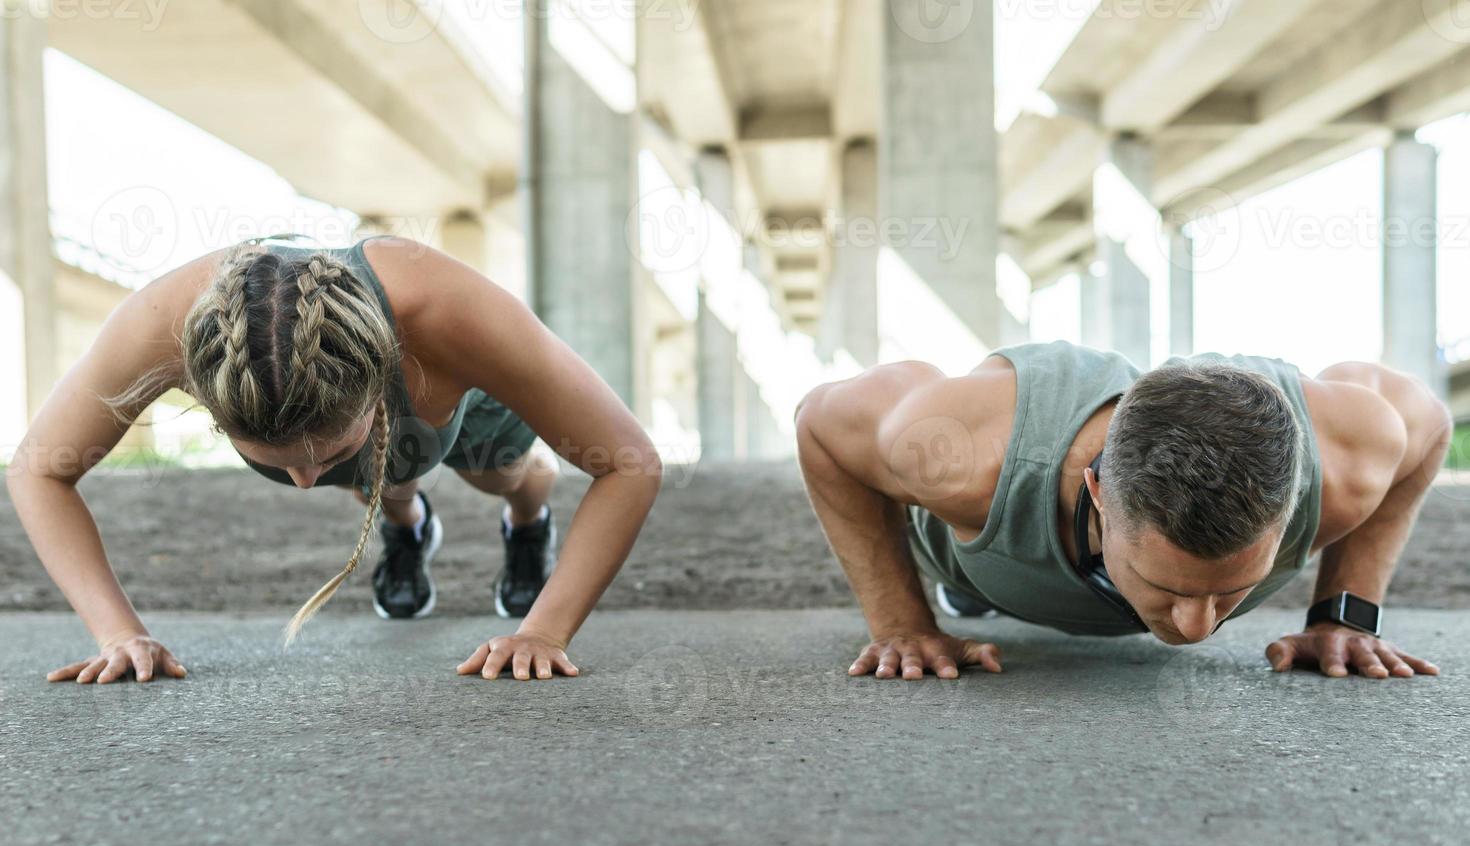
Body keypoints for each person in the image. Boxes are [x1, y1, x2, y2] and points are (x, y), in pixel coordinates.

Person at [5, 236, 662, 684]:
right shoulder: (160, 323)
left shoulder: (447, 314)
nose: (302, 486)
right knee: (374, 473)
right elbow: (40, 468)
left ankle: (526, 523)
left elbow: (629, 462)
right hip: (367, 429)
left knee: (501, 475)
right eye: (275, 464)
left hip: (455, 402)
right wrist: (117, 632)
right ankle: (405, 525)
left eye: (327, 456)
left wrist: (546, 630)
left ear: (385, 377)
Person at [795, 340, 1452, 681]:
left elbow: (1431, 426)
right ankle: (976, 591)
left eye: (1232, 594)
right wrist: (901, 624)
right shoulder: (964, 457)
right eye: (1169, 588)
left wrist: (1345, 614)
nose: (1197, 631)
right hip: (979, 556)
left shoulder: (1349, 458)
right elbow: (821, 423)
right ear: (1101, 495)